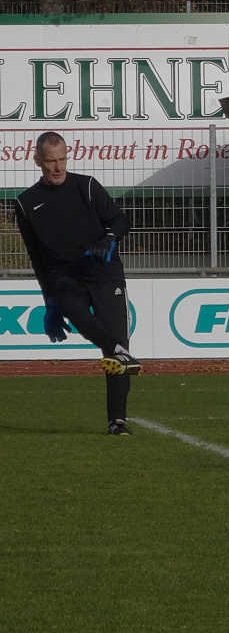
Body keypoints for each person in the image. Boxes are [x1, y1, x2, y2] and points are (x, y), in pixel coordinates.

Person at [15, 131, 142, 436]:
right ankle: (116, 349)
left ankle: (117, 420)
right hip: (64, 276)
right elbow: (36, 258)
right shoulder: (25, 203)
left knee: (115, 340)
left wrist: (109, 240)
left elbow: (121, 221)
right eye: (50, 162)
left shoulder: (86, 186)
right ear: (37, 161)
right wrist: (49, 302)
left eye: (61, 160)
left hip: (104, 272)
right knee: (75, 310)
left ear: (67, 157)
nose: (57, 167)